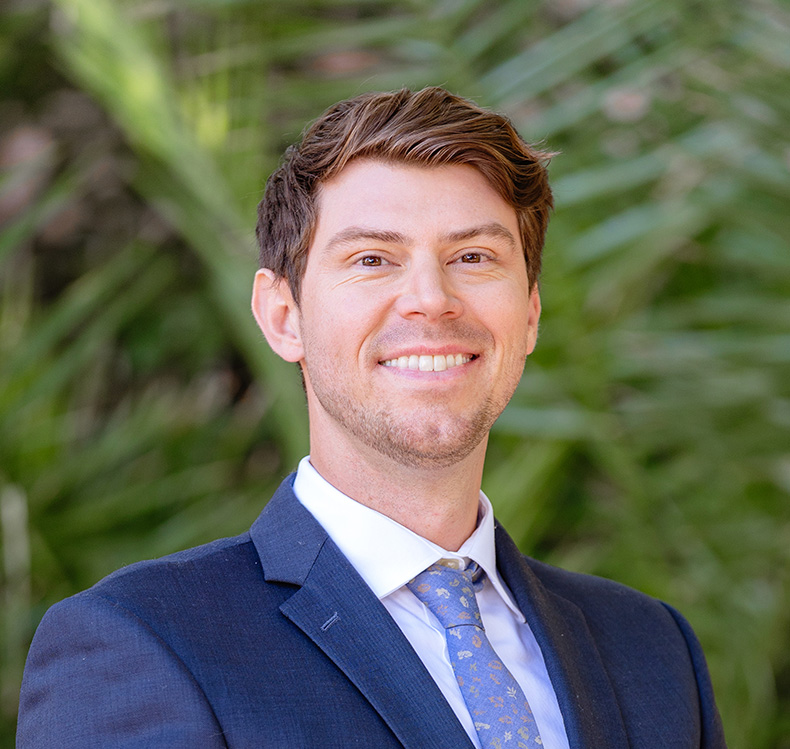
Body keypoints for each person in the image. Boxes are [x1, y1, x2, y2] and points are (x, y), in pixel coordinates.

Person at [17, 87, 726, 748]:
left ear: (531, 313)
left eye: (474, 256)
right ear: (283, 316)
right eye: (374, 258)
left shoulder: (652, 649)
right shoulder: (140, 642)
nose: (430, 298)